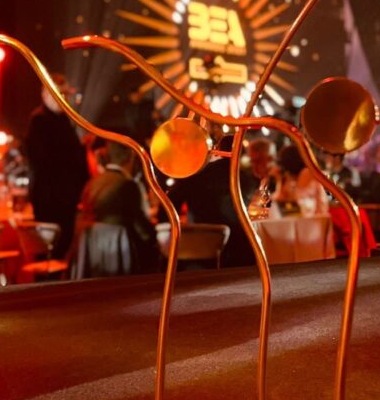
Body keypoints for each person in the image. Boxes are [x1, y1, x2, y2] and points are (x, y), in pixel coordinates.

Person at [168, 134, 255, 268]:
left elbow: (171, 201)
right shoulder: (247, 178)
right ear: (242, 153)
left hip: (202, 239)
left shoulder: (197, 174)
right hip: (240, 243)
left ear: (217, 150)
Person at [25, 78, 88, 255]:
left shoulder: (63, 119)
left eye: (66, 93)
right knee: (50, 250)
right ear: (45, 95)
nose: (64, 98)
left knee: (64, 247)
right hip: (50, 199)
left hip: (66, 197)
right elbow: (44, 159)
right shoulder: (39, 120)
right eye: (59, 93)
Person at [75, 141, 156, 274]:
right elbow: (141, 227)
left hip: (91, 251)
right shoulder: (128, 184)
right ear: (131, 158)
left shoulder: (92, 182)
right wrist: (155, 237)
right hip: (117, 251)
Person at [272, 144, 328, 216]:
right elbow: (279, 202)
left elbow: (296, 201)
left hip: (315, 219)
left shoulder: (307, 173)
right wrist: (279, 180)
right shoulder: (289, 178)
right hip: (303, 218)